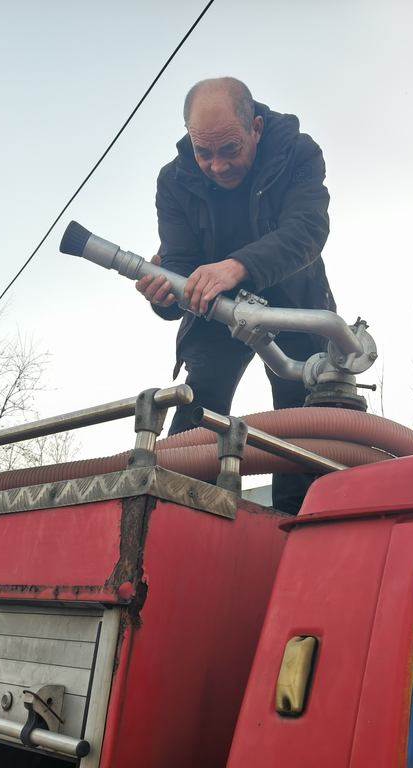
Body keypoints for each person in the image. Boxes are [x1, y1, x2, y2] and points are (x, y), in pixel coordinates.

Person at [136, 77, 335, 512]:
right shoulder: (173, 181)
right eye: (203, 152)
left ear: (257, 128)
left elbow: (307, 231)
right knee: (198, 411)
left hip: (293, 306)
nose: (217, 165)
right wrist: (164, 293)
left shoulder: (299, 153)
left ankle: (295, 526)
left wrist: (236, 267)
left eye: (230, 150)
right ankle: (175, 515)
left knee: (299, 423)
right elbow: (181, 261)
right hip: (215, 312)